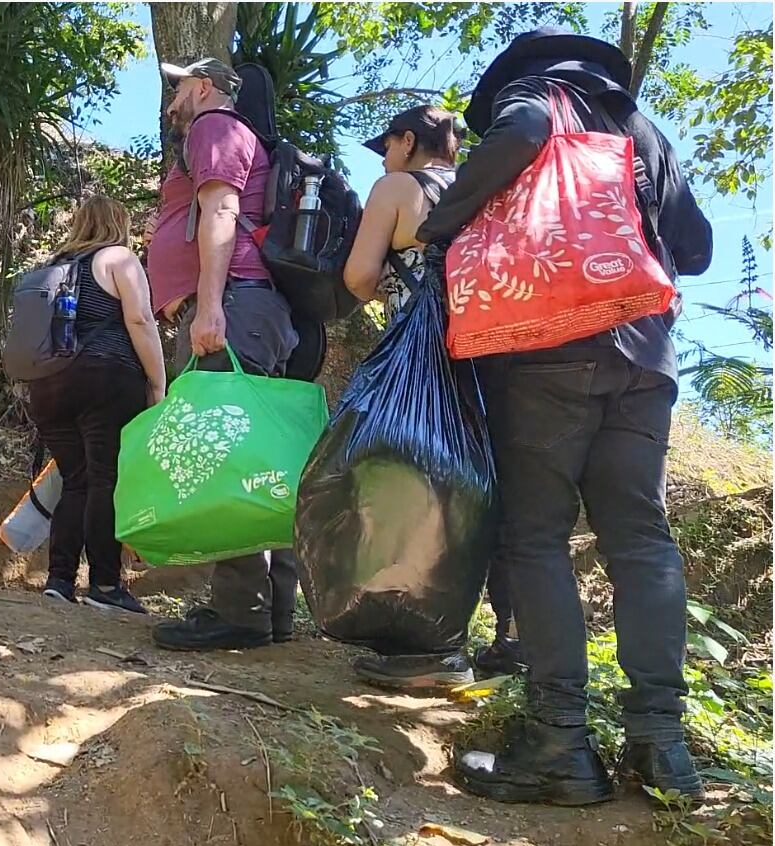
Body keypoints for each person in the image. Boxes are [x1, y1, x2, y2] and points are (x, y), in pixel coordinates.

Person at [417, 28, 712, 806]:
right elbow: (698, 246)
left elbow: (515, 135)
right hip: (645, 358)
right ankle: (660, 741)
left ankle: (557, 739)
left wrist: (439, 224)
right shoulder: (643, 131)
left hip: (547, 349)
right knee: (640, 540)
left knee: (536, 535)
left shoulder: (538, 97)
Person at [340, 106, 525, 689]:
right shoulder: (484, 188)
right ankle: (512, 639)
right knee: (486, 491)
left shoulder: (398, 186)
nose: (385, 156)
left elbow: (359, 276)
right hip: (493, 357)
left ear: (408, 140)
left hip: (423, 361)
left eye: (388, 143)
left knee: (418, 490)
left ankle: (428, 644)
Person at [141, 58, 302, 651]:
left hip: (235, 303)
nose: (172, 98)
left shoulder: (215, 128)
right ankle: (270, 609)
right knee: (259, 456)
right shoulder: (238, 135)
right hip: (257, 308)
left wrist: (210, 306)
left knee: (230, 456)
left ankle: (240, 612)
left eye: (179, 86)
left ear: (204, 88)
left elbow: (221, 212)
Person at [31, 195, 168, 614]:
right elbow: (141, 320)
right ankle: (106, 586)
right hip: (105, 375)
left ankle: (59, 579)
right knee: (105, 477)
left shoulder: (52, 267)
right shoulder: (118, 258)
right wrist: (158, 381)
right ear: (118, 224)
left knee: (77, 480)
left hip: (47, 383)